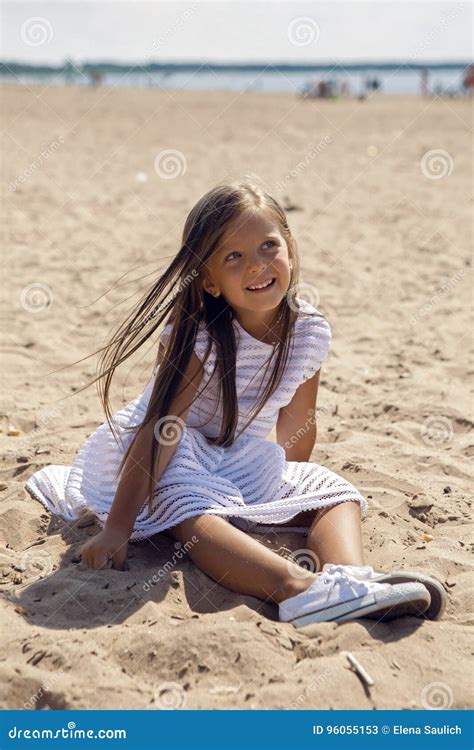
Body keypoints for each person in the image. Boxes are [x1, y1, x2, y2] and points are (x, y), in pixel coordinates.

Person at [25, 179, 446, 627]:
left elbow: (299, 425)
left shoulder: (308, 333)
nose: (257, 266)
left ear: (290, 248)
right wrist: (118, 528)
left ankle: (351, 583)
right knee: (188, 502)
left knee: (331, 489)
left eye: (269, 246)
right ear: (208, 279)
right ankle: (295, 588)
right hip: (162, 457)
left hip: (234, 458)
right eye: (234, 257)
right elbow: (161, 431)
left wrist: (283, 493)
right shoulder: (198, 341)